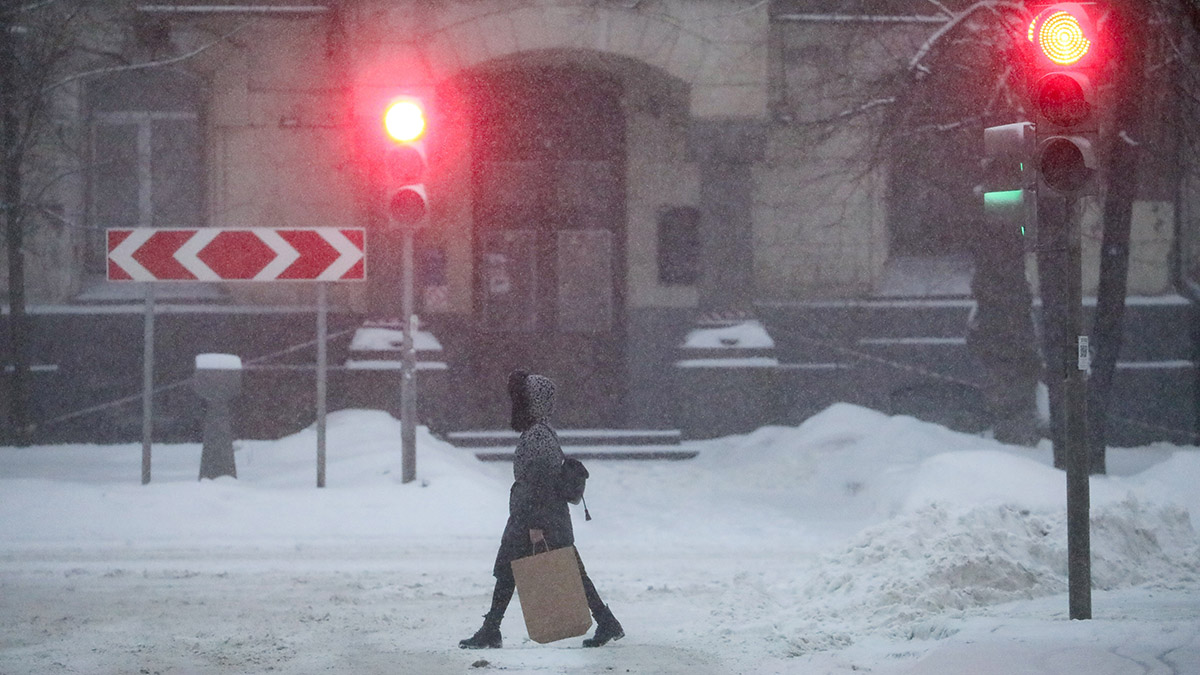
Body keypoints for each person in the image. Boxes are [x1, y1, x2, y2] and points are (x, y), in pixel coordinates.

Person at [459, 370, 624, 649]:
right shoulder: (542, 432)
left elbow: (540, 484)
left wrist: (535, 526)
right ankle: (606, 622)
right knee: (527, 571)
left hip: (535, 519)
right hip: (541, 517)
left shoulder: (537, 436)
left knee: (528, 571)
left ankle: (491, 630)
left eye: (523, 399)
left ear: (533, 402)